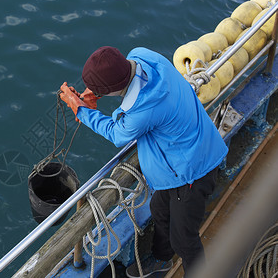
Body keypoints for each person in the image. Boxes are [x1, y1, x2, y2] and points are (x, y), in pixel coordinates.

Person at [59, 46, 228, 277]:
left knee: (184, 240)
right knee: (159, 209)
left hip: (191, 172)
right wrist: (95, 91)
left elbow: (116, 133)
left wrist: (81, 110)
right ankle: (162, 260)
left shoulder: (144, 112)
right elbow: (121, 78)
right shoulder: (143, 56)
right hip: (197, 144)